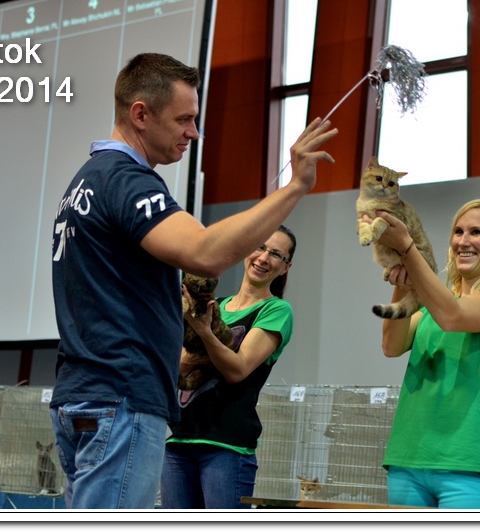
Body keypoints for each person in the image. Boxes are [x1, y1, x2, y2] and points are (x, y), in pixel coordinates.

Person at [49, 53, 337, 509]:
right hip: (122, 397)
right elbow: (206, 254)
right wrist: (295, 187)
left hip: (85, 395)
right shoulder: (127, 180)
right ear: (141, 114)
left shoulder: (86, 181)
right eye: (183, 119)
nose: (194, 133)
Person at [369, 199, 480, 509]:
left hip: (469, 464)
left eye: (476, 232)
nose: (463, 241)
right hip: (408, 459)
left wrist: (408, 248)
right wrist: (404, 283)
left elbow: (453, 316)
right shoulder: (434, 304)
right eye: (458, 231)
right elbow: (391, 346)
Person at [160, 225, 297, 509]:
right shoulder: (215, 305)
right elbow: (177, 367)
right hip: (179, 440)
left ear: (285, 267)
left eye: (276, 254)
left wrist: (204, 334)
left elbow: (237, 370)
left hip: (227, 447)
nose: (263, 258)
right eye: (260, 247)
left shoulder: (276, 310)